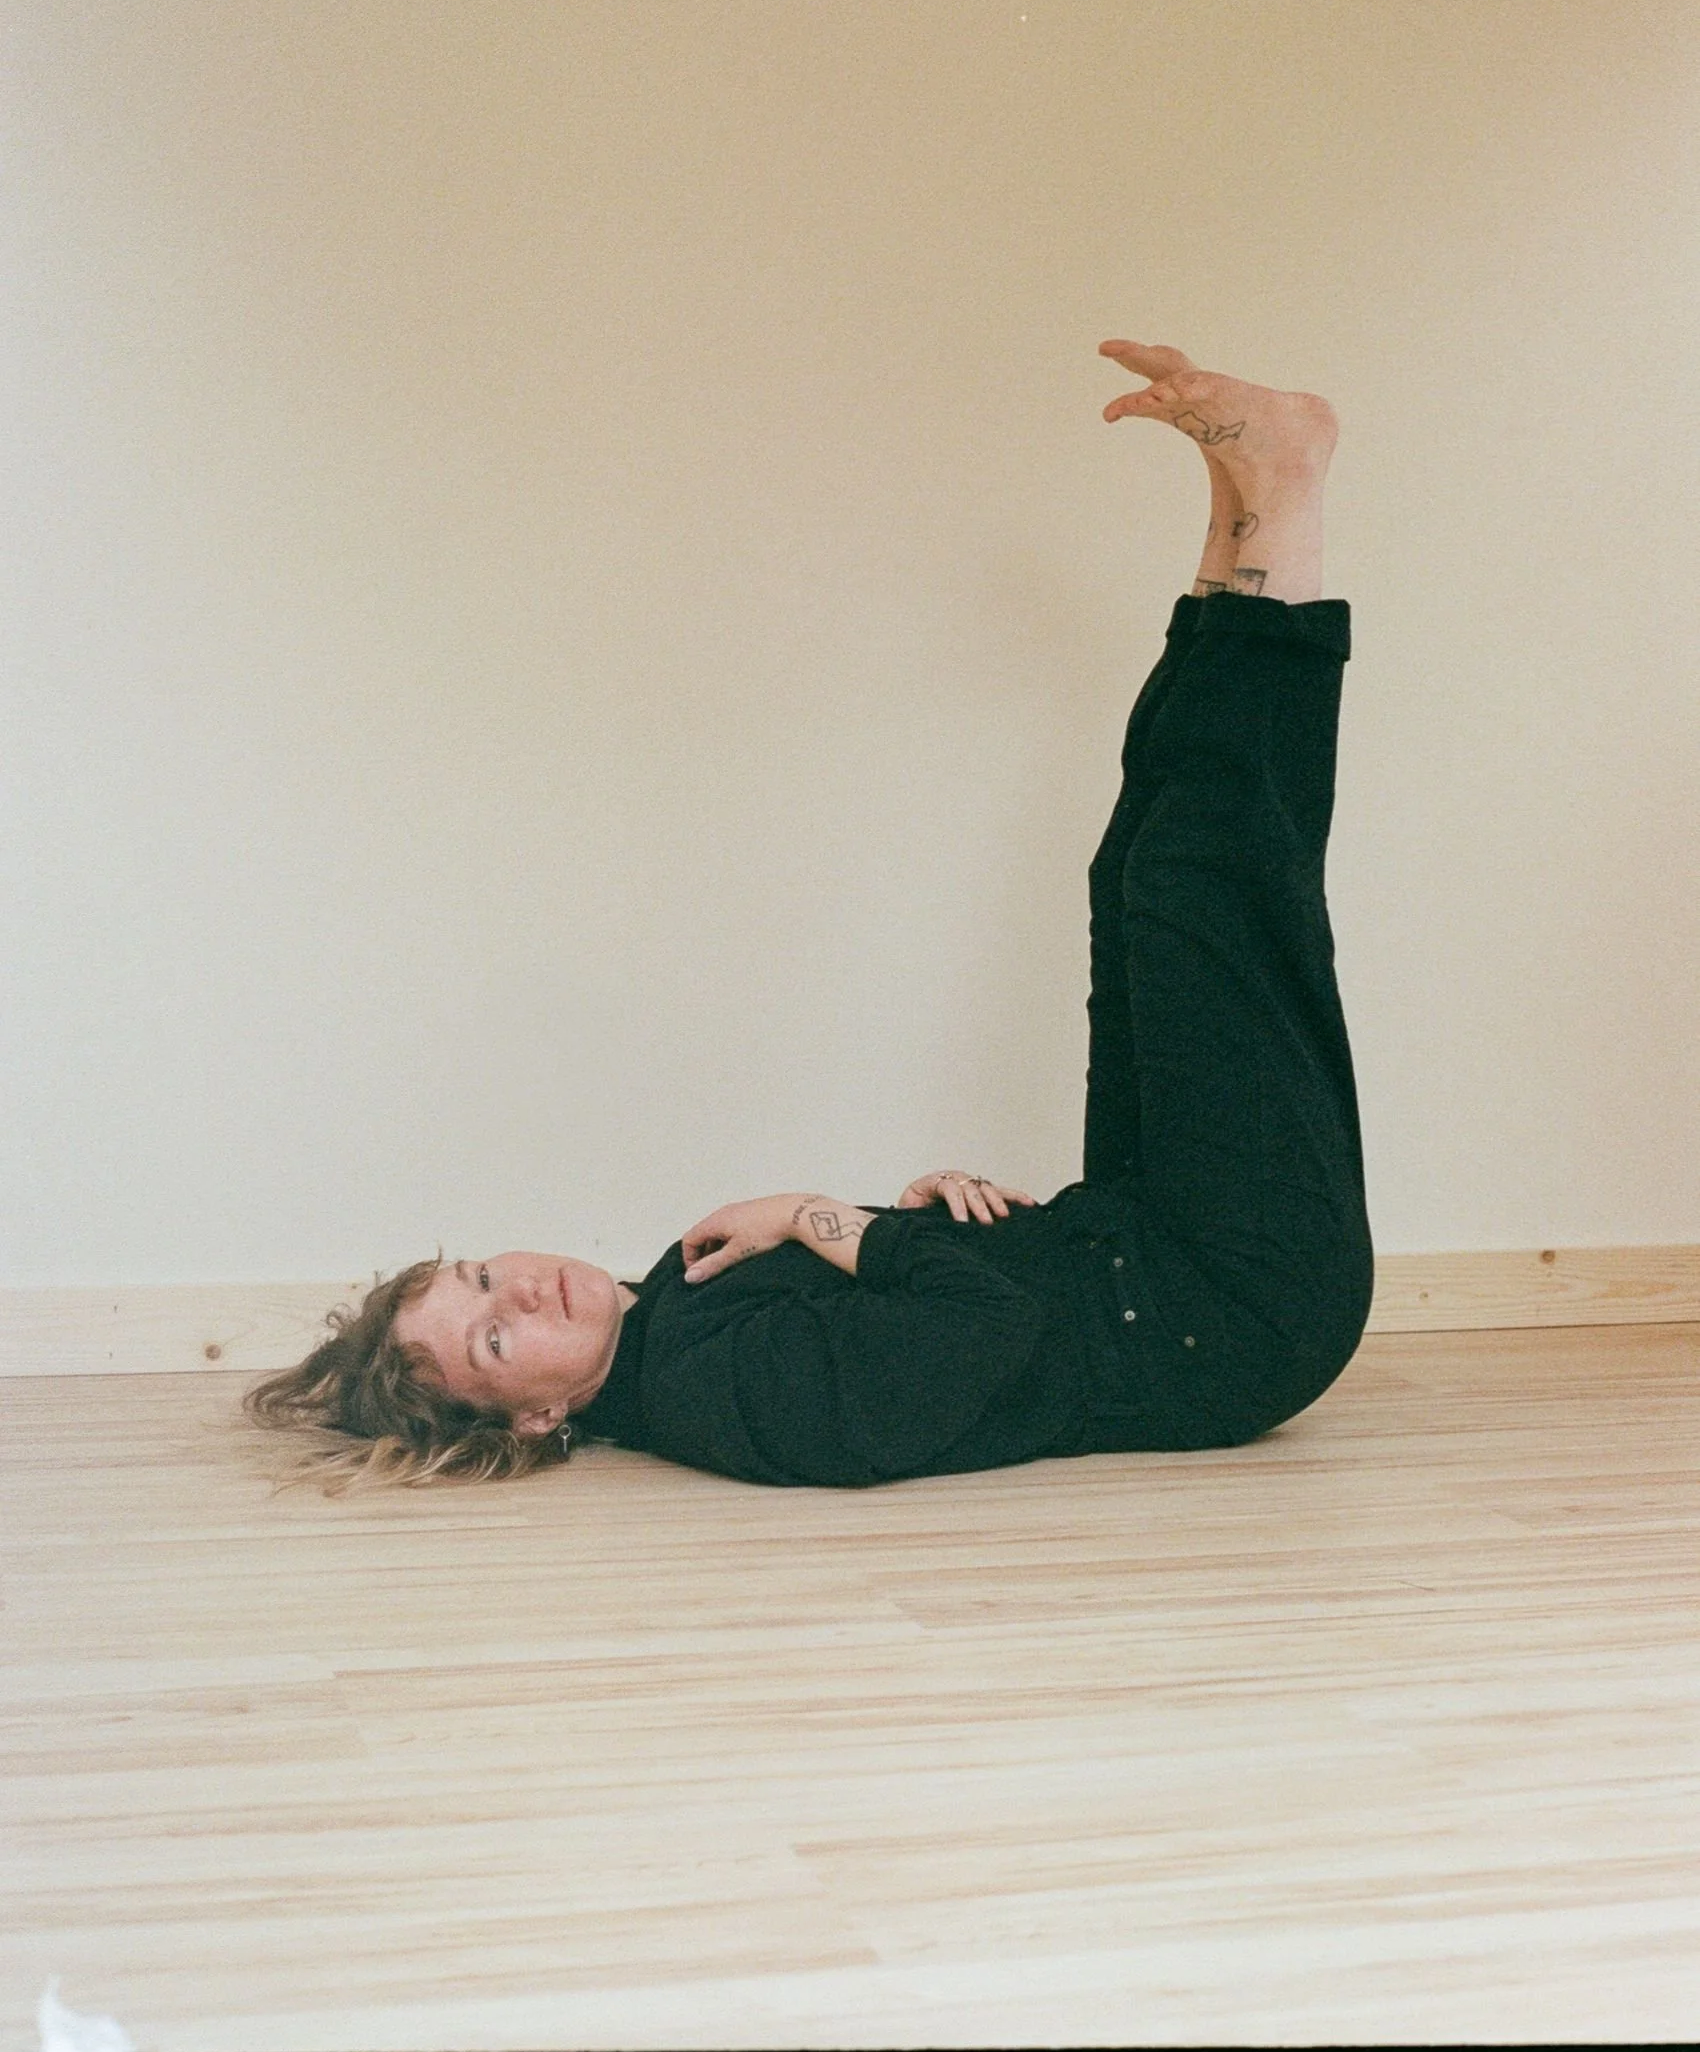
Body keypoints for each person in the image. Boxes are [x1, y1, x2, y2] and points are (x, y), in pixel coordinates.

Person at [248, 339, 1371, 1489]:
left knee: (1135, 875)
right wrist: (819, 1215)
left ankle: (1246, 499)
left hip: (1139, 1244)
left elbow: (936, 1293)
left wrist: (929, 1216)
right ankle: (1284, 488)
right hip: (1234, 1304)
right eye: (496, 1338)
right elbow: (982, 1332)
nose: (524, 1290)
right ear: (530, 1419)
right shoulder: (722, 1397)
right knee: (1197, 885)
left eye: (484, 1276)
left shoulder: (674, 1294)